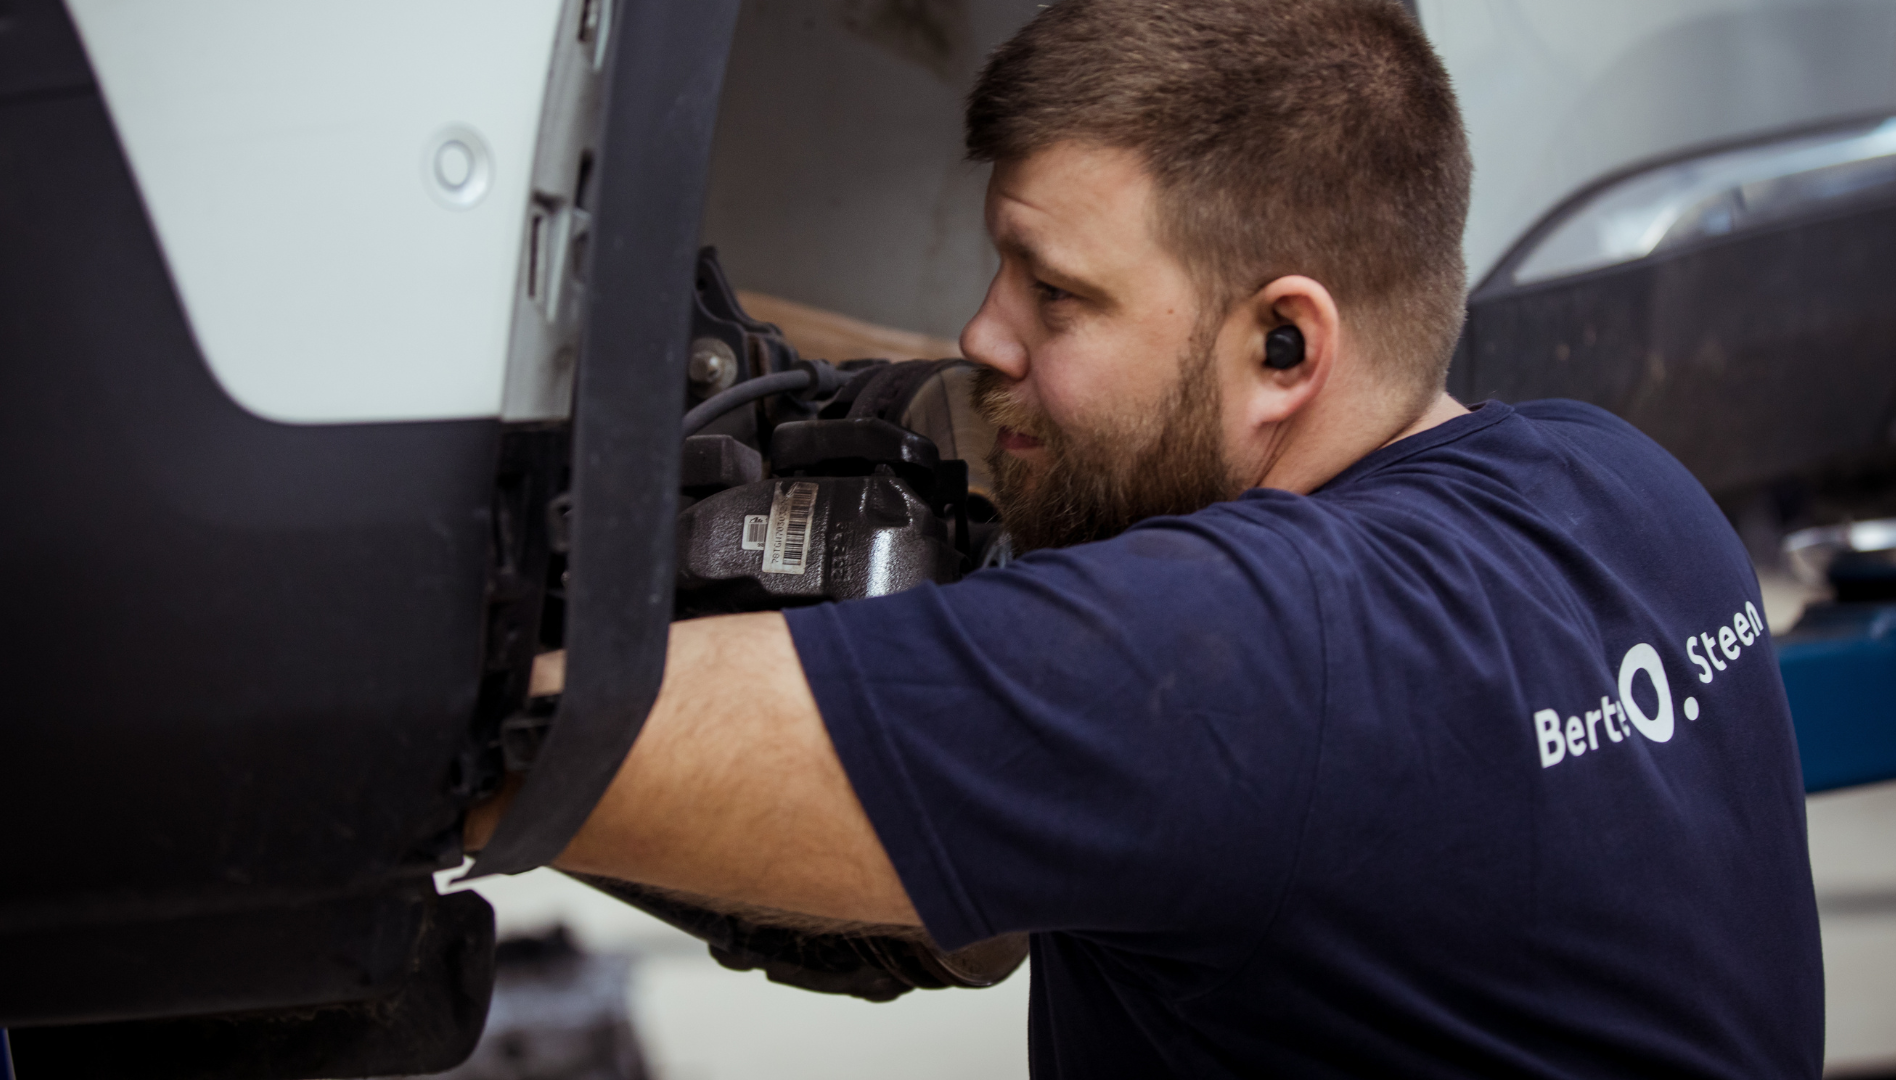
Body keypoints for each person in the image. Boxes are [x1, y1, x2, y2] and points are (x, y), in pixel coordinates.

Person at [468, 0, 1824, 1074]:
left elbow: (526, 748)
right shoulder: (1626, 487)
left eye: (1054, 295)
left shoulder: (1245, 666)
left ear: (1285, 343)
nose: (983, 333)